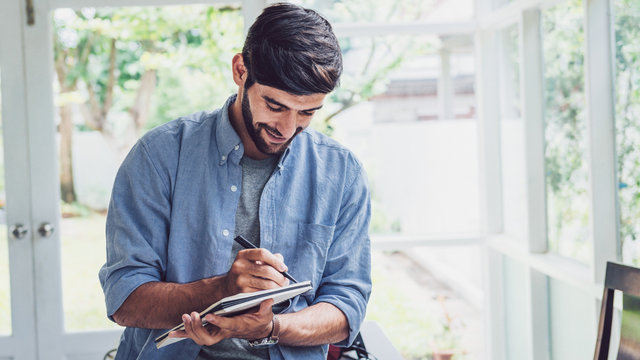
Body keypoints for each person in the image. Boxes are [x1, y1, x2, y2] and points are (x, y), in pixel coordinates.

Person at [99, 3, 372, 359]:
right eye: (274, 106)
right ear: (241, 70)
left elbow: (347, 304)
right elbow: (125, 299)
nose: (288, 129)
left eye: (306, 112)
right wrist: (223, 289)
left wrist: (273, 328)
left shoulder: (341, 172)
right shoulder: (159, 156)